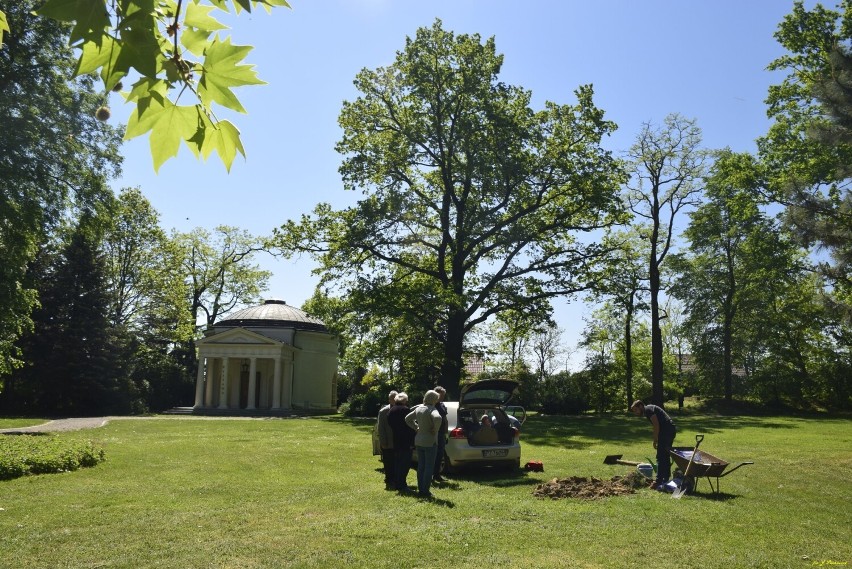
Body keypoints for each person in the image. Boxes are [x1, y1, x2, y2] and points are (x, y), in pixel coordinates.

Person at [630, 400, 677, 489]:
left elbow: (656, 425)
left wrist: (655, 440)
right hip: (670, 429)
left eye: (636, 410)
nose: (636, 413)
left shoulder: (647, 409)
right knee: (665, 455)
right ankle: (665, 479)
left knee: (660, 456)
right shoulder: (650, 408)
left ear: (640, 406)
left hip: (666, 431)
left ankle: (658, 481)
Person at [405, 390, 442, 498]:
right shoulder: (432, 409)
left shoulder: (419, 408)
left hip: (419, 440)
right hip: (430, 442)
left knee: (421, 466)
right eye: (436, 399)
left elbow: (407, 419)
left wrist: (416, 427)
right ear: (434, 399)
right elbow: (438, 418)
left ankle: (421, 489)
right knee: (429, 467)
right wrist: (435, 429)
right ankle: (425, 491)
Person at [387, 392, 415, 493]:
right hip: (406, 440)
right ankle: (402, 484)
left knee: (398, 463)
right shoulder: (405, 410)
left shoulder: (391, 410)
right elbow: (410, 425)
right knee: (405, 464)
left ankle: (398, 483)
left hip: (396, 439)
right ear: (404, 400)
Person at [376, 390, 398, 489]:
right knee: (388, 462)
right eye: (392, 398)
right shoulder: (383, 411)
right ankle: (389, 480)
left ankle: (396, 479)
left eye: (396, 398)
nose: (394, 400)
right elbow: (381, 428)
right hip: (387, 442)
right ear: (389, 399)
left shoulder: (400, 409)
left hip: (398, 441)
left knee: (397, 461)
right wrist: (383, 442)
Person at [432, 386, 448, 483]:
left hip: (442, 433)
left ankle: (437, 474)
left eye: (443, 395)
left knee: (440, 454)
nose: (442, 397)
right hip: (435, 433)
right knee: (434, 454)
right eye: (441, 395)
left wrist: (446, 432)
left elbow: (445, 419)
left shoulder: (442, 405)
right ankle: (432, 475)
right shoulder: (431, 405)